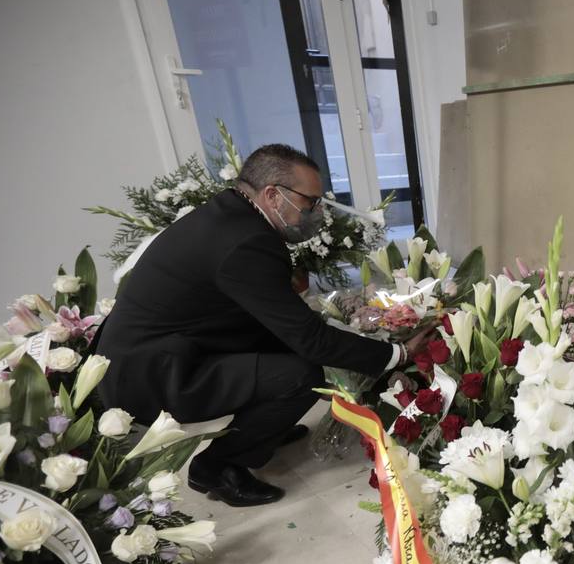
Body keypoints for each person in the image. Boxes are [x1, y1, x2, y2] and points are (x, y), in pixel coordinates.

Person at [95, 144, 415, 506]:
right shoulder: (246, 241)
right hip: (155, 372)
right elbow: (312, 341)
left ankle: (262, 429)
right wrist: (397, 353)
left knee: (283, 346)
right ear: (273, 195)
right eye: (310, 202)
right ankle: (217, 467)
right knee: (301, 375)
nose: (317, 211)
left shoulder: (230, 215)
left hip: (160, 349)